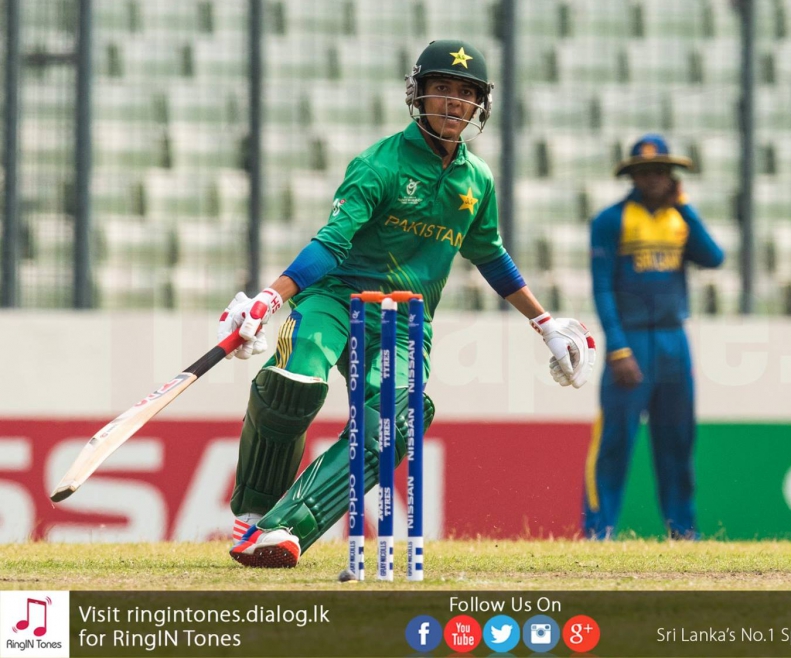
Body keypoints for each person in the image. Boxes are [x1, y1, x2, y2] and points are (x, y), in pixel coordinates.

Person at [218, 39, 596, 568]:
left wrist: (545, 323)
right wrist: (269, 298)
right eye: (441, 88)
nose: (454, 102)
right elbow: (332, 242)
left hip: (403, 323)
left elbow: (489, 254)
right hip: (336, 300)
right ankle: (254, 511)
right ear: (417, 94)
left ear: (480, 104)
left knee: (395, 421)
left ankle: (284, 529)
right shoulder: (378, 165)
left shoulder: (478, 180)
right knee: (294, 385)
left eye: (466, 93)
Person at [583, 135, 724, 540]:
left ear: (672, 176)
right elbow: (602, 288)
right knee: (615, 441)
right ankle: (598, 532)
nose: (653, 179)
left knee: (677, 442)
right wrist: (617, 347)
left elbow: (713, 258)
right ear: (632, 176)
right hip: (631, 342)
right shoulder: (611, 220)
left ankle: (683, 532)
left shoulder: (680, 219)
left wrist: (685, 206)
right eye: (644, 172)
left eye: (661, 171)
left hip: (673, 340)